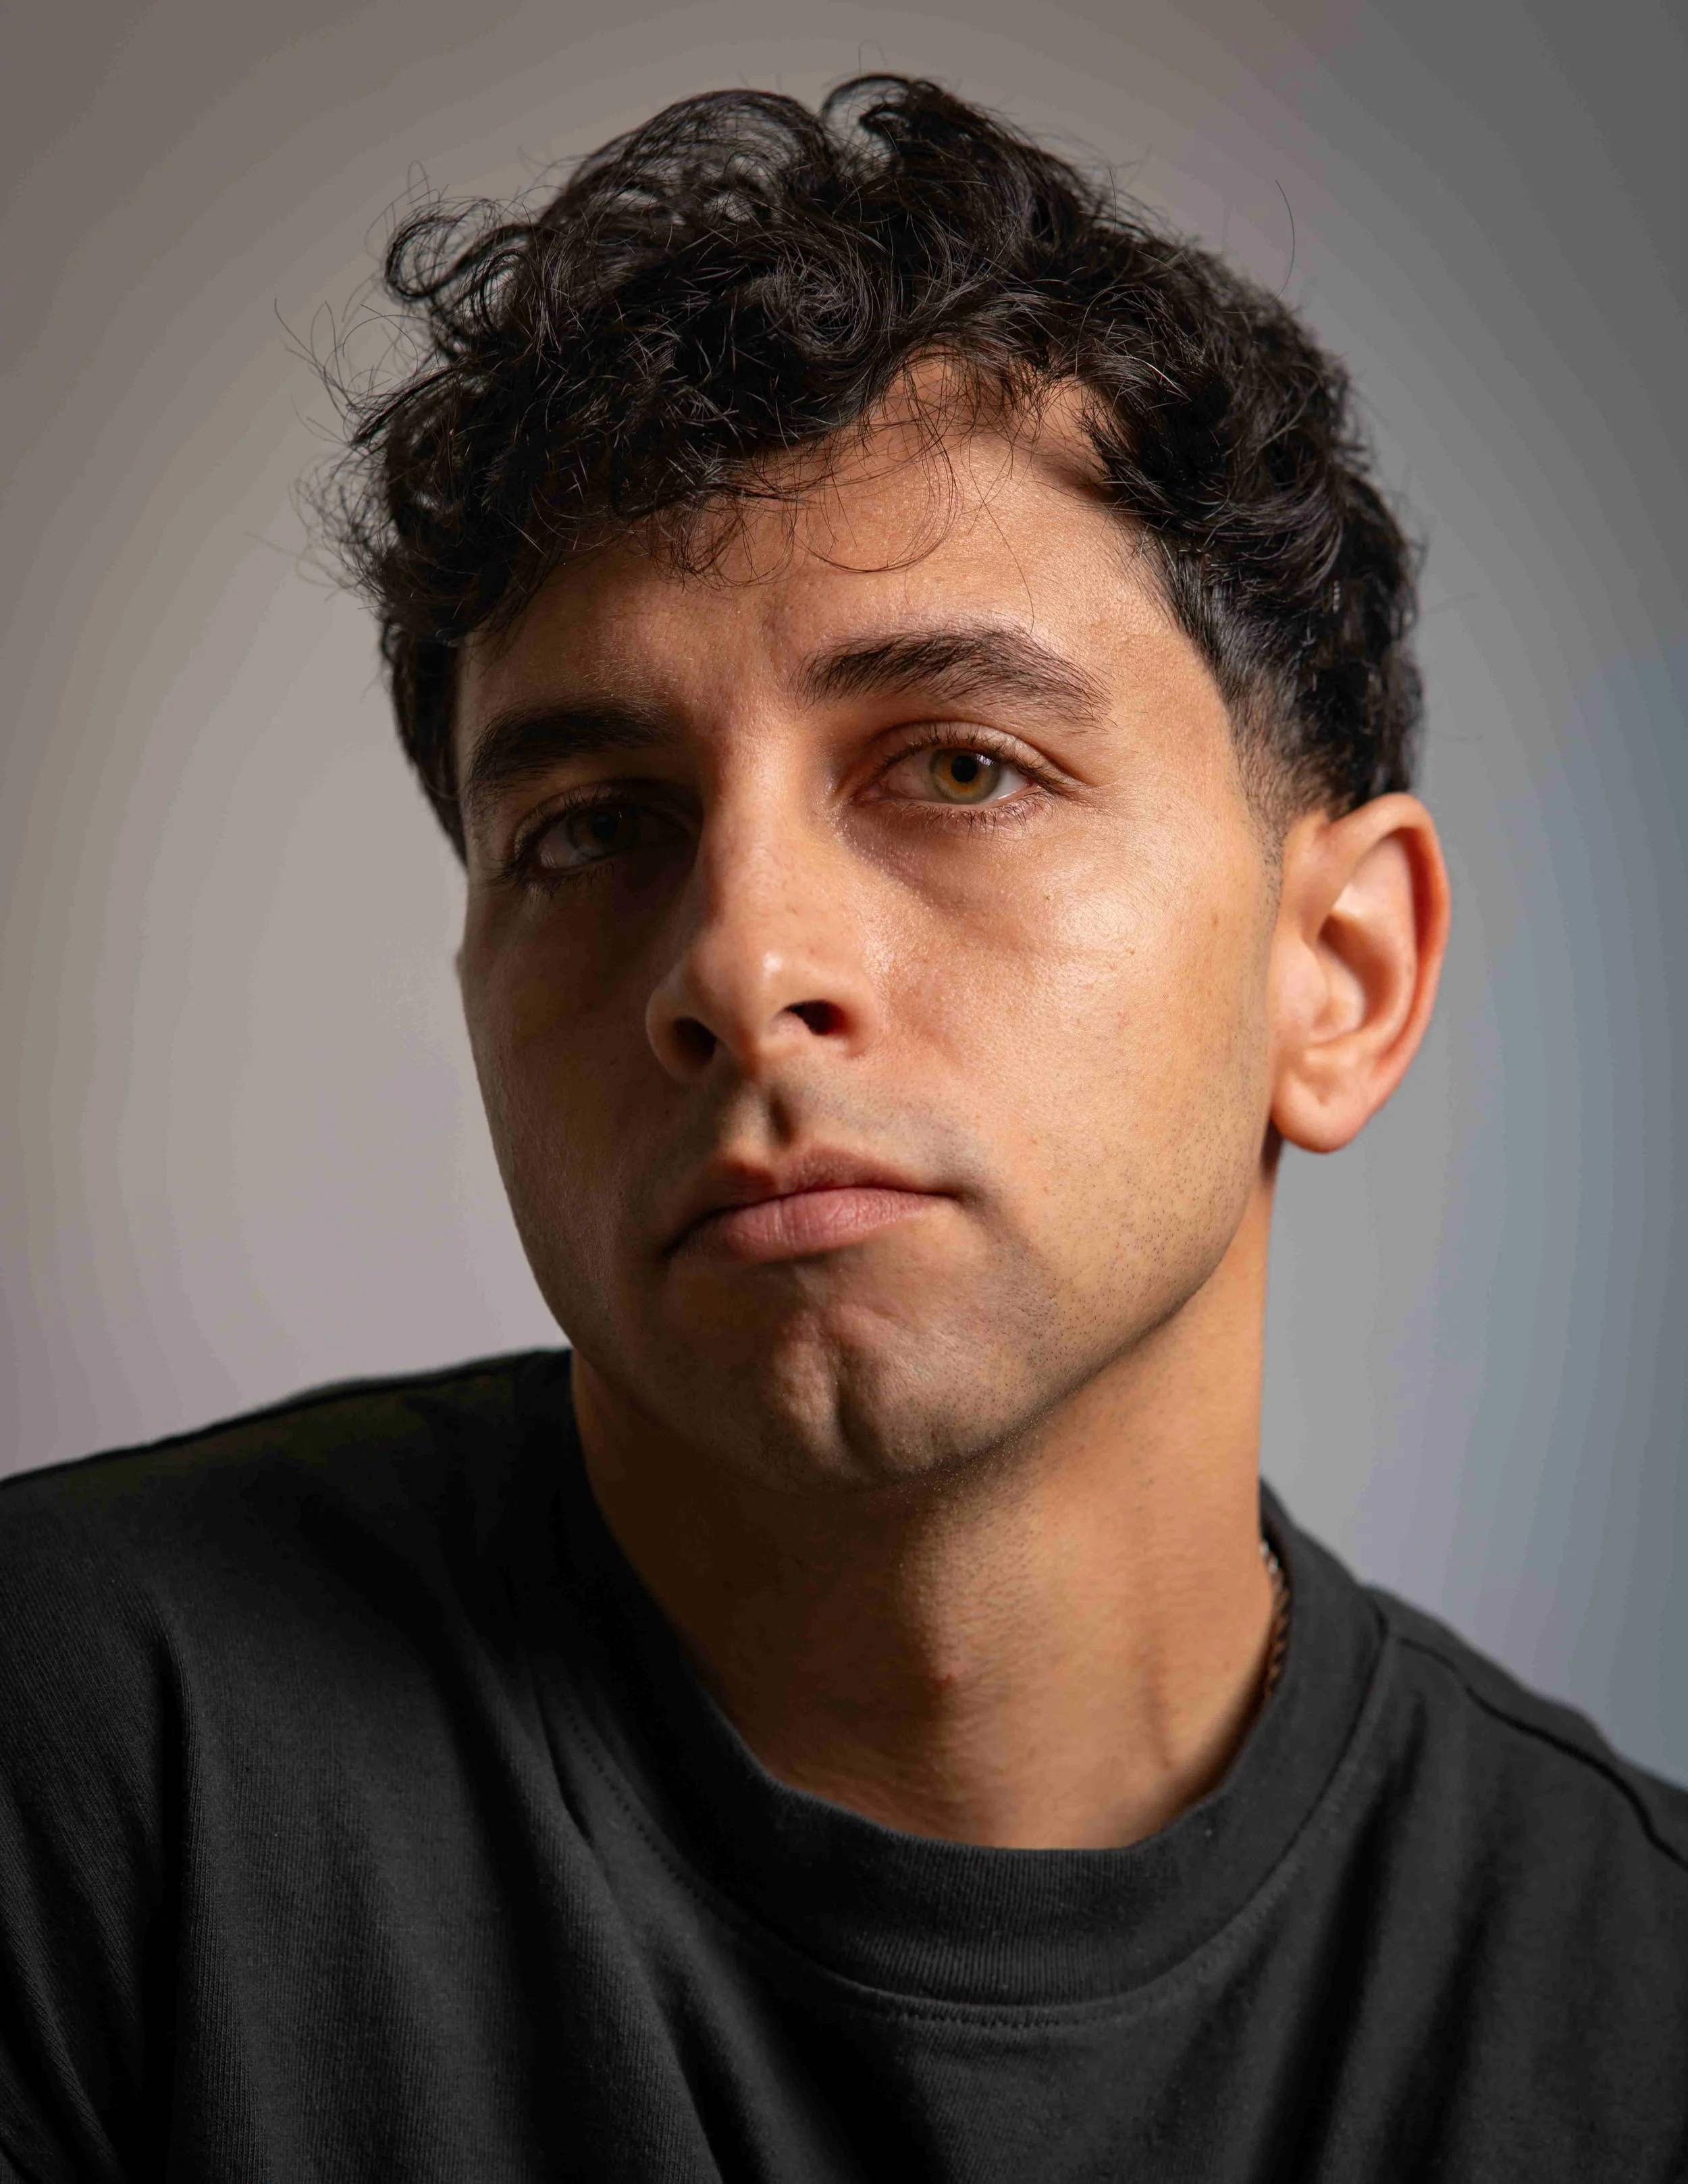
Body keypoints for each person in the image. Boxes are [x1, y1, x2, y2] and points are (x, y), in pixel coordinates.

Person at [1, 74, 1683, 2184]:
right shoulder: (72, 1767)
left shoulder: (1634, 2012)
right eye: (592, 827)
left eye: (959, 767)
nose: (735, 961)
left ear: (1335, 974)